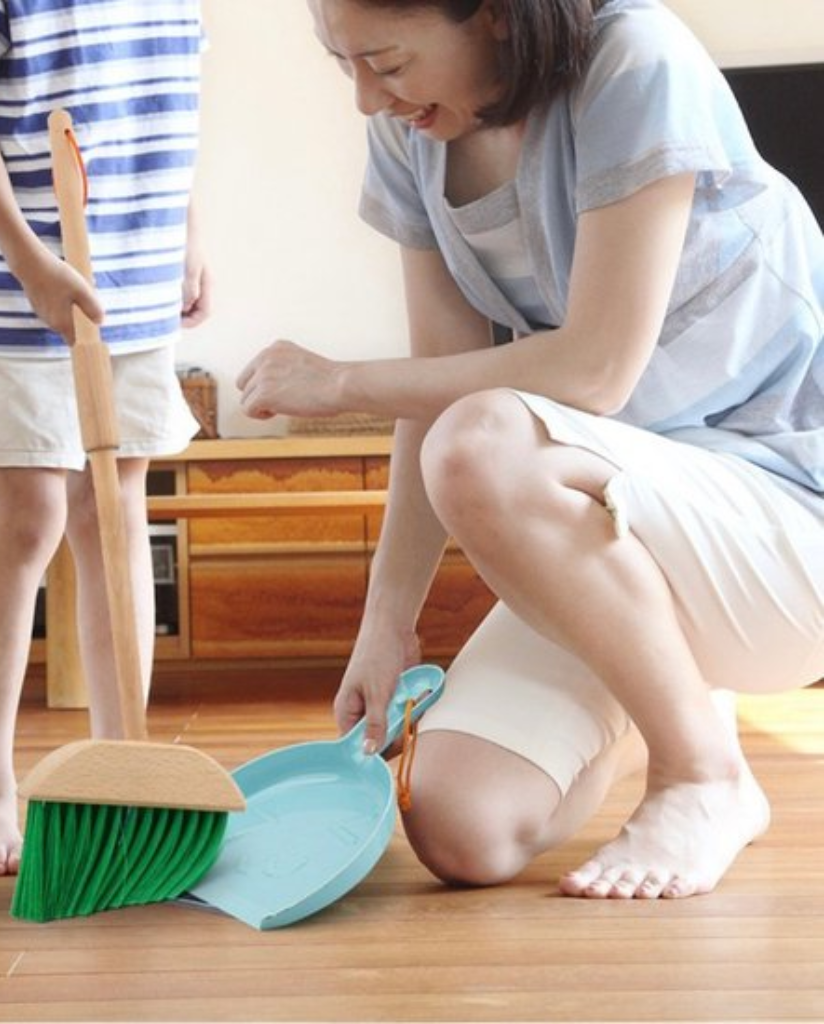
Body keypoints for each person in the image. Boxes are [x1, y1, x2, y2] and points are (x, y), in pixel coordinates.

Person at [237, 0, 824, 899]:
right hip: (628, 528)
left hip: (783, 526)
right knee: (465, 830)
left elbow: (594, 371)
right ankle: (674, 689)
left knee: (484, 437)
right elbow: (436, 383)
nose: (364, 98)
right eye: (342, 62)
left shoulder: (635, 60)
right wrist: (385, 623)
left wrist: (342, 384)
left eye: (387, 62)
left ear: (498, 15)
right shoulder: (413, 134)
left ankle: (702, 775)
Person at [0, 1, 210, 876]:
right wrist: (31, 262)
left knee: (115, 512)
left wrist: (189, 234)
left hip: (135, 276)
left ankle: (125, 765)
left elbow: (172, 99)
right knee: (29, 510)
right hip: (13, 281)